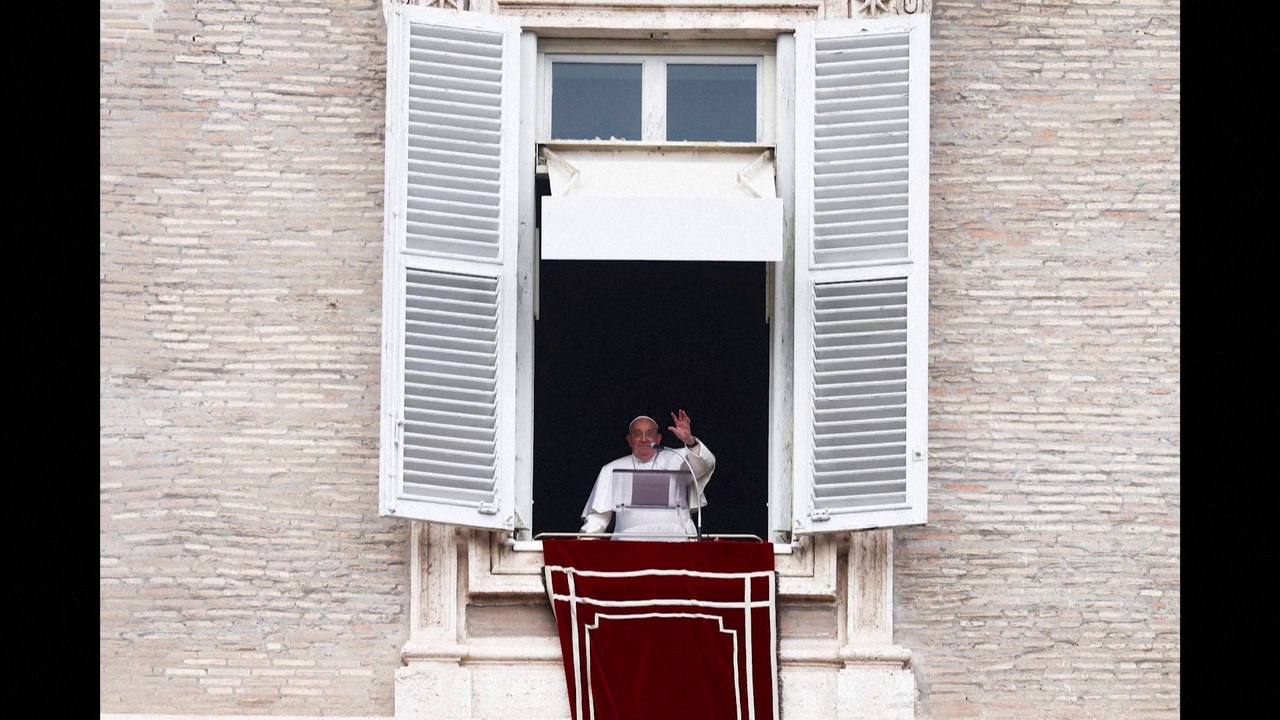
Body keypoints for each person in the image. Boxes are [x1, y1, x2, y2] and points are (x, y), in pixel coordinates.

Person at [579, 410, 716, 540]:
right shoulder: (611, 469)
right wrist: (585, 542)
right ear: (629, 440)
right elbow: (598, 516)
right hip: (628, 545)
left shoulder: (678, 458)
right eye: (637, 434)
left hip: (675, 543)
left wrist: (690, 442)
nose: (644, 439)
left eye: (649, 433)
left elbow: (706, 464)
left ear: (658, 438)